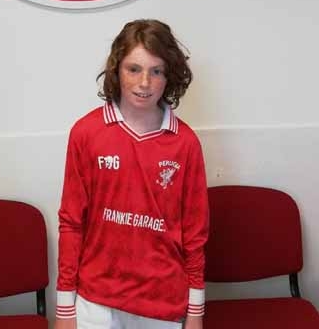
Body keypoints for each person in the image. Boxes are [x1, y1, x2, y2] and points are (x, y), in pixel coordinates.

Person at [55, 19, 209, 329]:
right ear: (117, 70)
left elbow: (195, 234)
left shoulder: (185, 143)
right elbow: (71, 223)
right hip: (95, 300)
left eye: (157, 71)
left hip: (160, 302)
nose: (144, 83)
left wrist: (196, 311)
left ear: (169, 75)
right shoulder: (86, 133)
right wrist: (64, 308)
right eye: (134, 69)